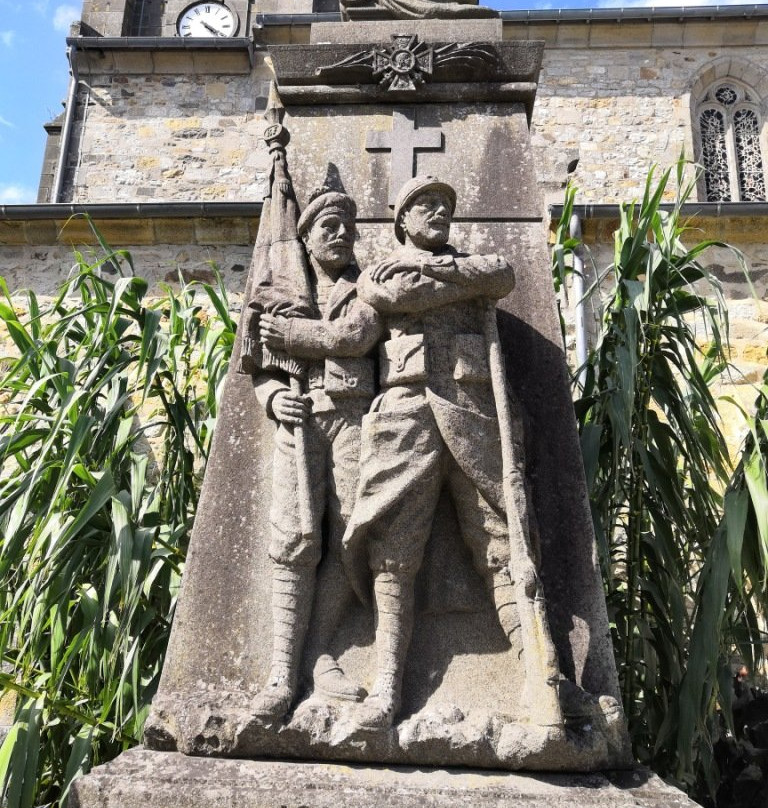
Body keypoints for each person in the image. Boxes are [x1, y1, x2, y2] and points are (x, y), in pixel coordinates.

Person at [341, 176, 561, 730]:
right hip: (404, 411)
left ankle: (541, 676)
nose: (438, 212)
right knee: (394, 547)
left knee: (502, 538)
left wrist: (445, 274)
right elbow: (389, 295)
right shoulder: (381, 270)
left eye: (445, 205)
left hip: (473, 409)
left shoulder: (473, 264)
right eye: (425, 205)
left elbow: (501, 276)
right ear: (402, 221)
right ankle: (385, 685)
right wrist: (459, 284)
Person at [251, 189, 382, 720]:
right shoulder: (284, 287)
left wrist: (293, 333)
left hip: (354, 415)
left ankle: (320, 650)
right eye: (328, 225)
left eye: (348, 227)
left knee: (355, 532)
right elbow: (258, 359)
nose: (341, 234)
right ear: (303, 237)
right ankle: (283, 672)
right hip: (299, 414)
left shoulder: (368, 284)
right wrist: (272, 396)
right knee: (295, 537)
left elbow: (357, 335)